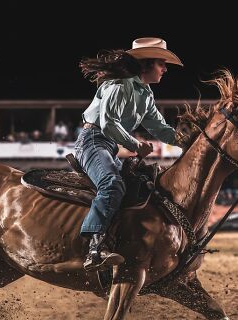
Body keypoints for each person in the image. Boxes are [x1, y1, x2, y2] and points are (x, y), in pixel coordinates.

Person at [76, 37, 183, 271]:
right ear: (146, 65)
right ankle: (93, 248)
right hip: (93, 141)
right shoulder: (119, 85)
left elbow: (160, 128)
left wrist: (192, 142)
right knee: (112, 184)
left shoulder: (145, 94)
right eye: (161, 64)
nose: (165, 69)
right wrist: (136, 145)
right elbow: (108, 125)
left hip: (110, 147)